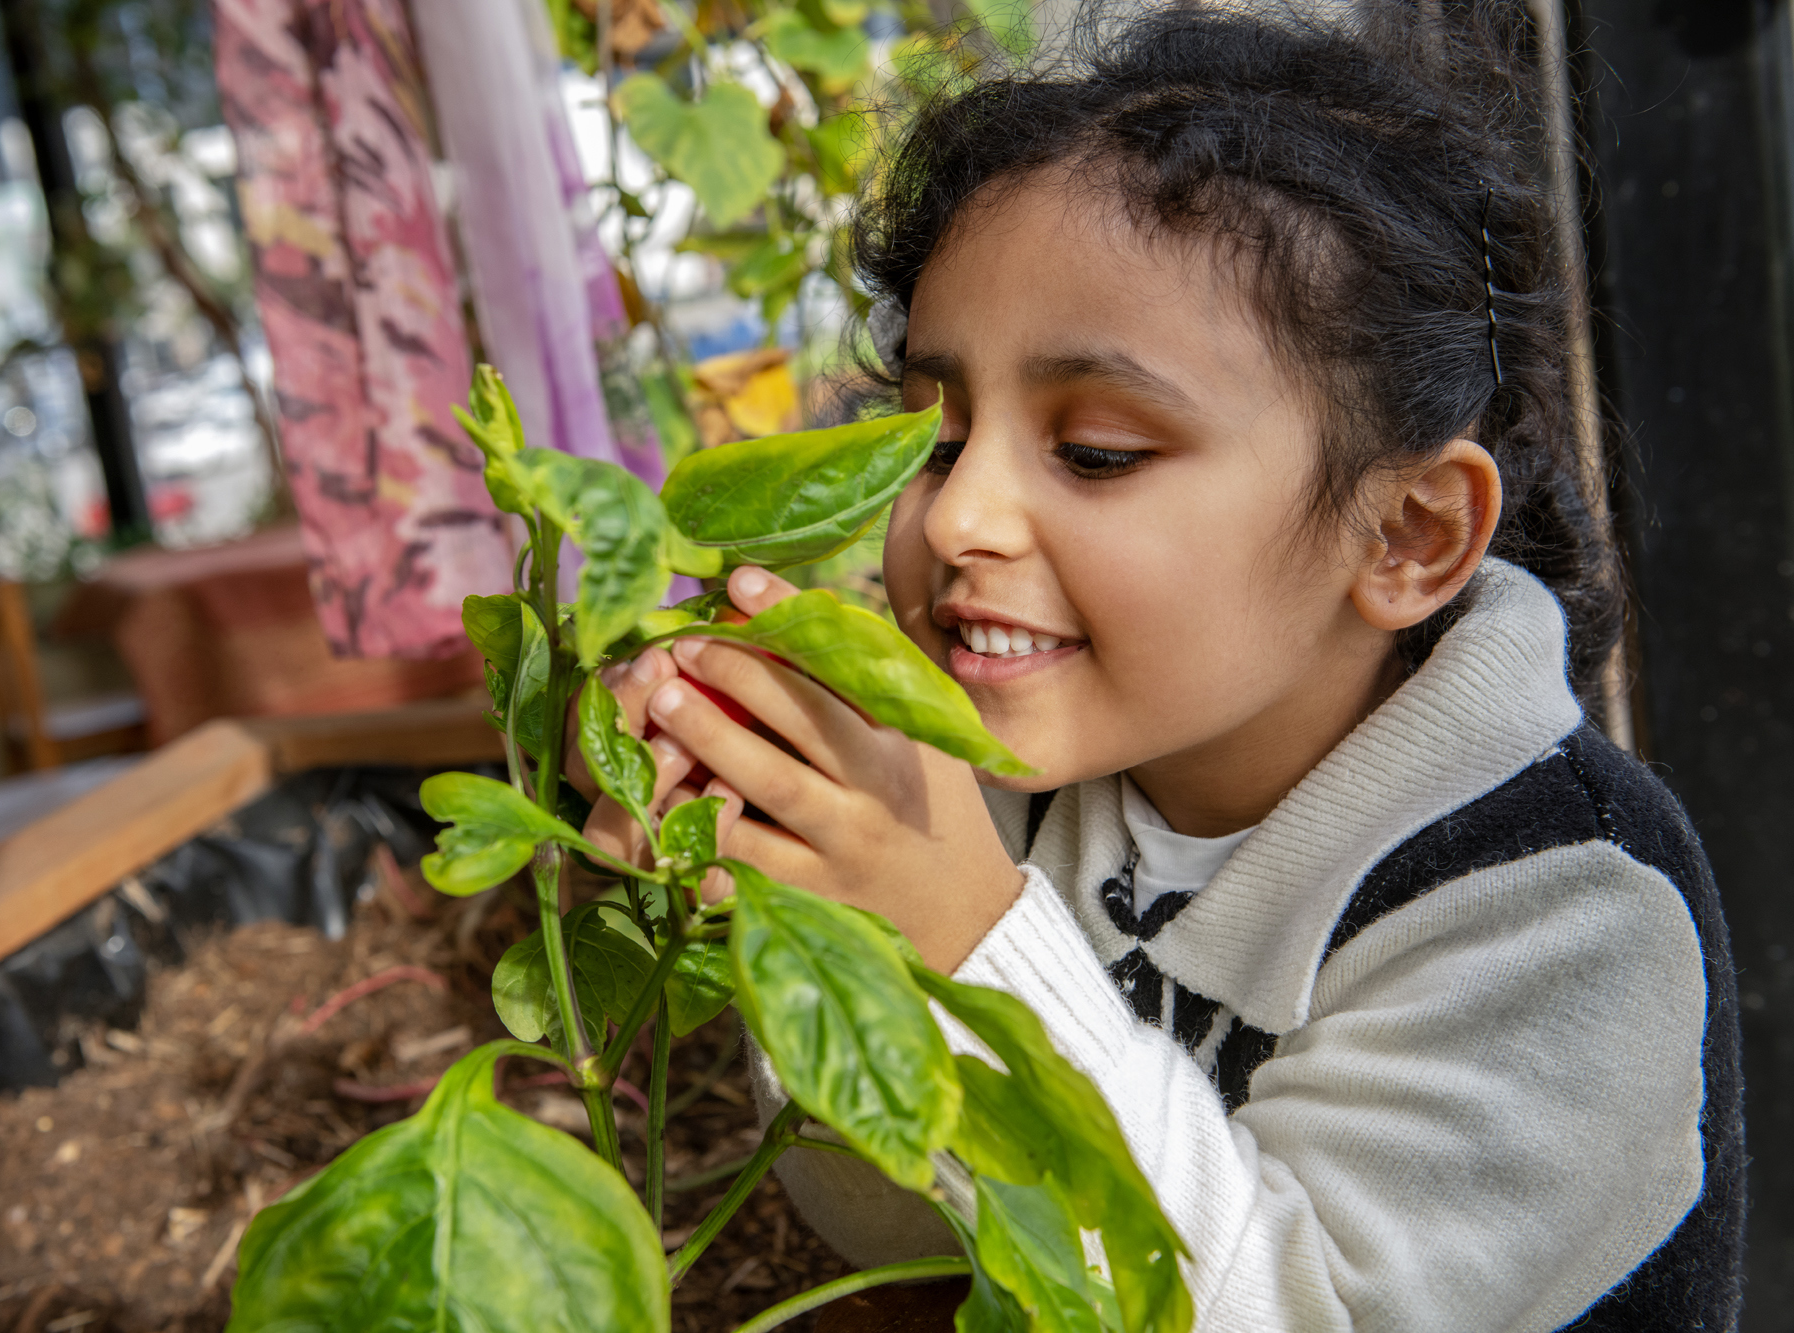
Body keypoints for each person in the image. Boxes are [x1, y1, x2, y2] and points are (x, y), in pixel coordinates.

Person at [578, 3, 1743, 1327]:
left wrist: (962, 937)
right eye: (936, 439)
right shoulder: (1013, 767)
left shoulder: (1564, 914)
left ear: (1405, 534)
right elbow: (880, 1211)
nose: (957, 519)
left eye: (1096, 453)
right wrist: (804, 875)